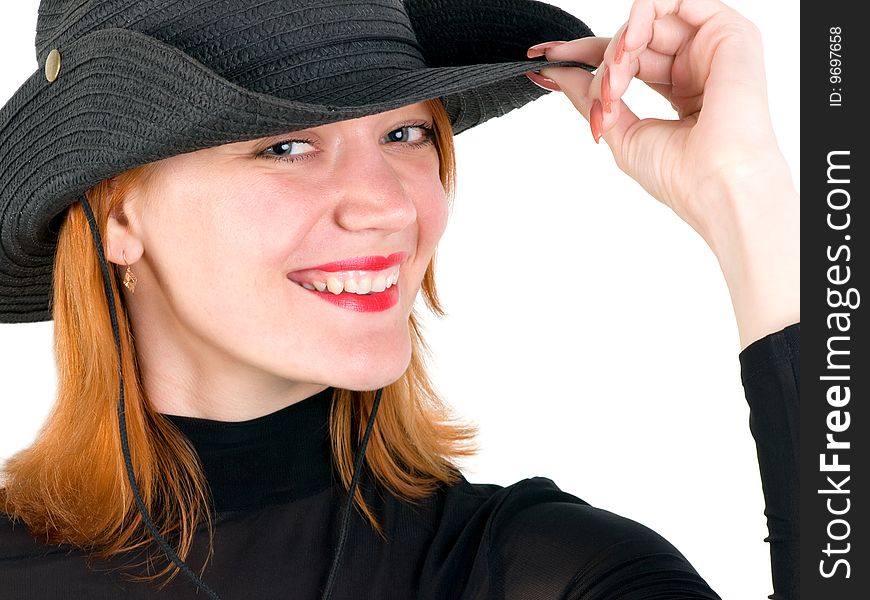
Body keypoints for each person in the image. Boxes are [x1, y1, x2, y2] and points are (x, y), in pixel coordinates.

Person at [0, 1, 799, 599]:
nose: (385, 204)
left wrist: (752, 203)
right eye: (285, 145)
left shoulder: (543, 573)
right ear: (118, 217)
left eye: (405, 134)